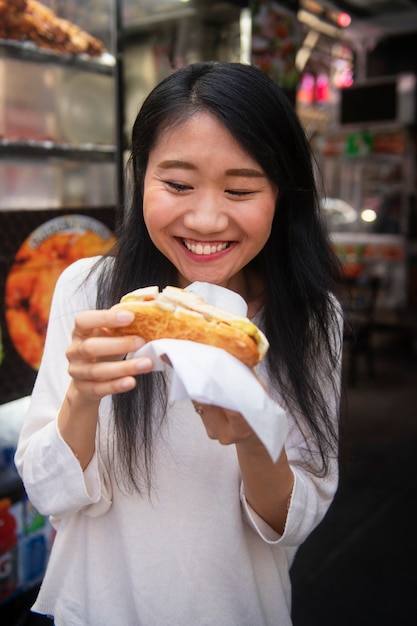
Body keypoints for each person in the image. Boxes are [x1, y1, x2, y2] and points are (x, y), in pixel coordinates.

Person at [15, 61, 343, 626]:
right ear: (140, 177)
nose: (207, 218)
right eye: (177, 184)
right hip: (92, 608)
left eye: (240, 189)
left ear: (283, 194)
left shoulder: (313, 320)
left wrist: (251, 438)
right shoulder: (90, 290)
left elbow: (294, 521)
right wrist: (82, 397)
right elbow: (49, 493)